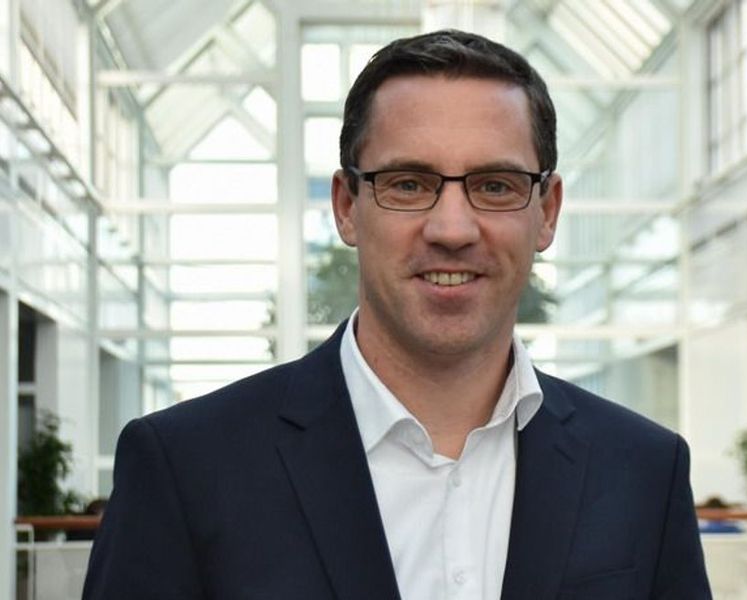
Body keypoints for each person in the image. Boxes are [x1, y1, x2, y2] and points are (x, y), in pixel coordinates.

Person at [83, 30, 711, 599]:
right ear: (347, 207)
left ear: (546, 211)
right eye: (408, 183)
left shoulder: (643, 472)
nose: (452, 229)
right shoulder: (187, 468)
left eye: (495, 185)